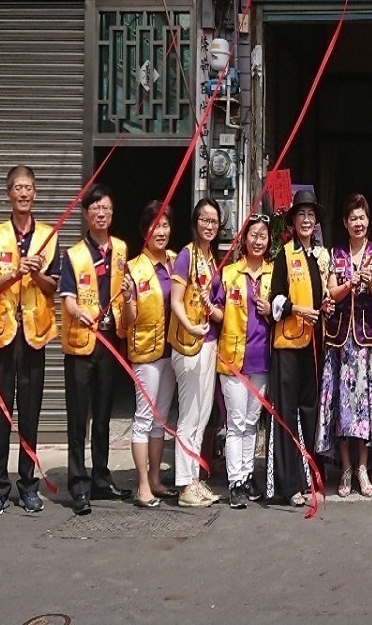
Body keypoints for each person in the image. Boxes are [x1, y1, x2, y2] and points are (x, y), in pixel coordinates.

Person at [0, 165, 59, 517]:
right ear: (8, 194)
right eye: (17, 188)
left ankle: (28, 486)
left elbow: (54, 286)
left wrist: (36, 273)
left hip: (34, 338)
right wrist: (14, 272)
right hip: (0, 337)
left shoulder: (49, 236)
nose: (24, 194)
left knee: (30, 415)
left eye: (29, 188)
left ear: (35, 193)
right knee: (0, 416)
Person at [59, 184, 131, 516]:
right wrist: (78, 312)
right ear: (86, 214)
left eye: (106, 209)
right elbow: (68, 299)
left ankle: (101, 478)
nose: (101, 213)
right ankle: (78, 483)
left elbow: (124, 291)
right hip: (80, 345)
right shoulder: (73, 255)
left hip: (108, 341)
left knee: (103, 415)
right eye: (95, 209)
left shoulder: (120, 250)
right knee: (79, 419)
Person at [318, 195, 372, 498]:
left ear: (368, 221)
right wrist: (350, 283)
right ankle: (345, 466)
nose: (358, 223)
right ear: (346, 224)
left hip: (368, 343)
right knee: (343, 407)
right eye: (353, 219)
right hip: (341, 342)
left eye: (362, 218)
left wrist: (371, 281)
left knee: (366, 409)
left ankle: (363, 467)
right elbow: (332, 293)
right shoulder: (336, 254)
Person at [269, 188, 331, 506]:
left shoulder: (319, 255)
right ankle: (287, 483)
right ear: (293, 220)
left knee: (310, 411)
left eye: (311, 215)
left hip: (312, 346)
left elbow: (321, 298)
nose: (306, 220)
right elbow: (274, 300)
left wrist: (325, 307)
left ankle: (311, 476)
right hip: (288, 345)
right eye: (301, 214)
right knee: (286, 414)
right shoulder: (285, 253)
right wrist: (297, 309)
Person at [118, 201, 178, 509]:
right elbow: (125, 322)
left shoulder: (177, 260)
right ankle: (142, 486)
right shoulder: (134, 268)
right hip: (146, 352)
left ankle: (156, 478)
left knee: (161, 419)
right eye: (155, 226)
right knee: (143, 418)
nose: (162, 231)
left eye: (166, 225)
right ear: (145, 230)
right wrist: (128, 298)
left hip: (173, 351)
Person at [216, 213, 275, 509]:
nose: (258, 240)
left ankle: (249, 474)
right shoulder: (228, 274)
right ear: (243, 240)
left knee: (252, 423)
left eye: (263, 235)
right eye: (253, 234)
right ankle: (235, 482)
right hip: (232, 359)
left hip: (262, 359)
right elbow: (215, 312)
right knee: (236, 423)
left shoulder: (274, 273)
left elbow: (282, 312)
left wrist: (271, 311)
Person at [169, 198, 224, 508]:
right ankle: (184, 484)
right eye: (204, 220)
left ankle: (194, 479)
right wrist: (190, 325)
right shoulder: (186, 256)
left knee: (203, 415)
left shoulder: (210, 257)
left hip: (208, 342)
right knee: (189, 415)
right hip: (189, 344)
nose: (209, 225)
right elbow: (175, 301)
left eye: (214, 221)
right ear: (195, 222)